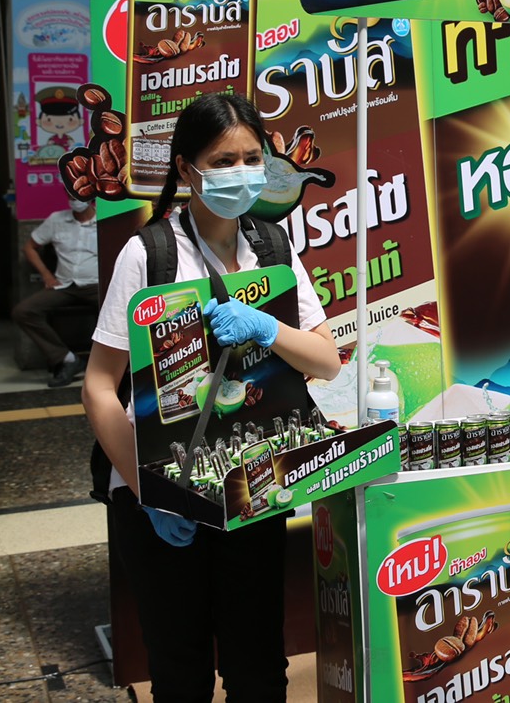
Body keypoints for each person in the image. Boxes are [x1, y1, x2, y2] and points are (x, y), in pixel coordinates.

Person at [81, 93, 340, 702]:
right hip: (159, 500)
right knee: (180, 672)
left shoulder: (272, 247)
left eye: (252, 158)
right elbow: (98, 386)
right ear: (186, 168)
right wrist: (151, 494)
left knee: (259, 667)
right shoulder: (150, 254)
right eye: (223, 161)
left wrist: (268, 327)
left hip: (253, 486)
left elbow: (326, 360)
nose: (240, 173)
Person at [14, 196, 99, 387]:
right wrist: (46, 275)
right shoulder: (57, 220)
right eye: (71, 196)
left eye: (79, 196)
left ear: (90, 197)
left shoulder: (105, 220)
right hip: (65, 285)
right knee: (23, 311)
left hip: (96, 285)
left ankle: (113, 363)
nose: (75, 200)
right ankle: (67, 359)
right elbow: (29, 248)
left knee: (120, 311)